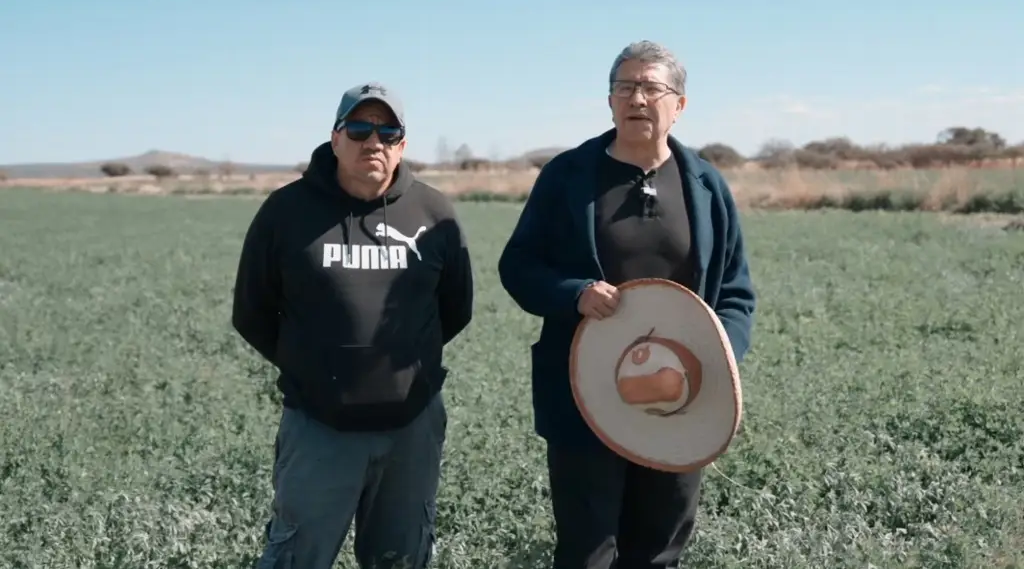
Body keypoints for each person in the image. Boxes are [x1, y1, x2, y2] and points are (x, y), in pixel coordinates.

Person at [497, 41, 757, 569]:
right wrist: (574, 294)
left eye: (652, 87)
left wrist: (716, 352)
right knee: (586, 552)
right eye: (624, 87)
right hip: (584, 396)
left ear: (679, 104)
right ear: (610, 101)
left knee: (659, 550)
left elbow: (735, 292)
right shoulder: (568, 177)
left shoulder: (706, 185)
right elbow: (519, 266)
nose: (637, 97)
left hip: (681, 397)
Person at [231, 81, 474, 569]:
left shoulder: (434, 213)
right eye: (360, 128)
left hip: (411, 427)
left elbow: (456, 308)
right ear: (336, 137)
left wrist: (397, 368)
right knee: (295, 556)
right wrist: (318, 368)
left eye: (388, 132)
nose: (373, 142)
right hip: (320, 427)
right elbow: (252, 312)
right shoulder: (286, 212)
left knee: (401, 558)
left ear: (402, 145)